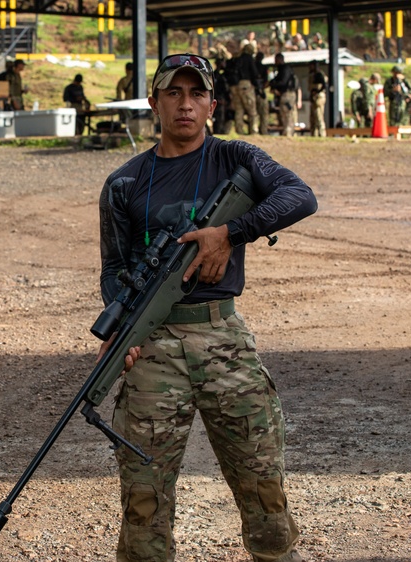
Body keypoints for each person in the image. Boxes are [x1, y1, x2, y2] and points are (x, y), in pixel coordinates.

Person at [98, 52, 316, 562]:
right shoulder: (124, 183)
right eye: (173, 93)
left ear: (212, 104)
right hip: (153, 351)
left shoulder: (236, 158)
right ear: (153, 102)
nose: (185, 105)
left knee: (265, 496)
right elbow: (113, 269)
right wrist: (123, 327)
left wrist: (229, 233)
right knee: (144, 508)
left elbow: (300, 197)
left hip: (225, 341)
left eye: (197, 94)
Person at [269, 53, 300, 136]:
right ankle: (287, 132)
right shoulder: (281, 69)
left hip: (287, 94)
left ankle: (288, 132)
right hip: (285, 94)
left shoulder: (285, 69)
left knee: (287, 114)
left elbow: (283, 82)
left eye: (276, 60)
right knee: (284, 114)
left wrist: (273, 84)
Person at [235, 42, 260, 134]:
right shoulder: (249, 59)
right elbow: (255, 73)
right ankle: (254, 130)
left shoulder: (238, 59)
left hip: (238, 85)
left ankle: (239, 130)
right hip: (247, 84)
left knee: (239, 109)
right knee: (252, 109)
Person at [307, 60, 327, 136]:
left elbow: (323, 86)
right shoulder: (312, 75)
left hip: (318, 98)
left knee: (319, 117)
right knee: (313, 119)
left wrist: (316, 91)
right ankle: (314, 134)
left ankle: (322, 134)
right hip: (313, 98)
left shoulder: (319, 75)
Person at [254, 51, 270, 134]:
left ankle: (255, 130)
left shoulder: (253, 67)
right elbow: (266, 82)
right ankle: (263, 131)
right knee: (263, 113)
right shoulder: (263, 68)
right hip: (259, 92)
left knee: (254, 113)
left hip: (254, 92)